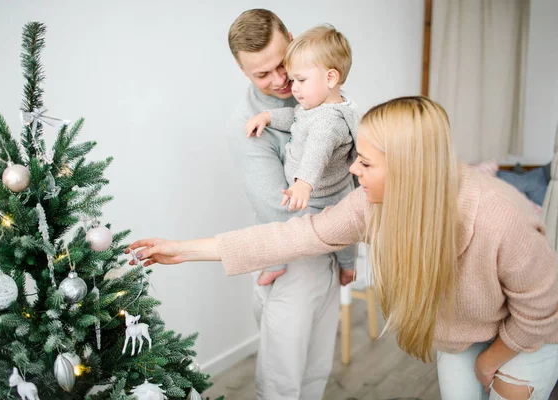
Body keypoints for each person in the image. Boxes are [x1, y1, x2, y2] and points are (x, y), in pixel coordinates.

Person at [128, 96, 558, 400]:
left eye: (366, 163)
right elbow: (293, 236)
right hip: (466, 334)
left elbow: (541, 309)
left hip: (532, 337)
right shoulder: (373, 205)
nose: (354, 169)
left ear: (410, 170)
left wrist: (493, 362)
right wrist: (182, 250)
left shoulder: (502, 217)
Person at [186, 9, 352, 400]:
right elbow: (281, 209)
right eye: (262, 74)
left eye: (282, 64)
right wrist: (343, 228)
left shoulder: (320, 94)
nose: (279, 80)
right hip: (289, 258)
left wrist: (347, 253)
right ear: (243, 72)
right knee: (282, 381)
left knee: (316, 370)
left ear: (292, 40)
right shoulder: (247, 124)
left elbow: (351, 174)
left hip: (332, 248)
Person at [244, 24, 358, 286]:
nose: (293, 88)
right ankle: (275, 262)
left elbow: (317, 152)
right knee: (276, 224)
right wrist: (268, 117)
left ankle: (348, 267)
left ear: (330, 78)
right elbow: (295, 117)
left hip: (325, 196)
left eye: (301, 80)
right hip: (311, 192)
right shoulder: (316, 107)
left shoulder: (328, 122)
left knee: (340, 232)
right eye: (293, 80)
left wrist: (303, 184)